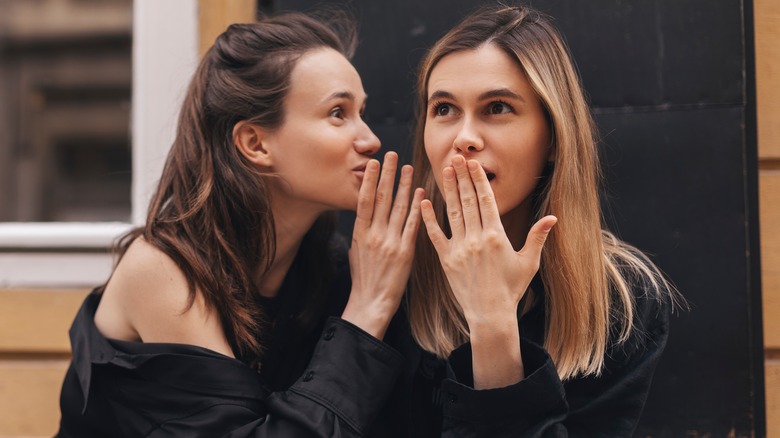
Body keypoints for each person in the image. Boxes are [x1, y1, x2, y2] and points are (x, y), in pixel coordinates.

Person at [56, 10, 424, 437]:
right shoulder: (164, 270)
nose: (371, 139)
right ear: (255, 143)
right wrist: (367, 311)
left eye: (362, 112)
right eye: (338, 113)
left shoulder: (327, 268)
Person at [383, 4, 683, 437]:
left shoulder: (623, 299)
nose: (463, 137)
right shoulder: (395, 273)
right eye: (444, 109)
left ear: (554, 139)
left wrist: (492, 322)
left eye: (498, 107)